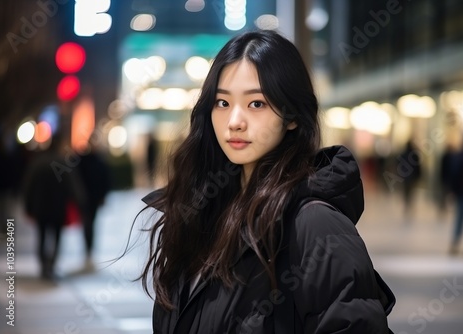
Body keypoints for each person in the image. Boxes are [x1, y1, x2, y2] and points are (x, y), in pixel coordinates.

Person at [137, 30, 395, 333]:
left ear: (292, 116)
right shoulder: (203, 215)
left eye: (256, 104)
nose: (234, 121)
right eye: (222, 103)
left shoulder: (316, 226)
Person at [23, 134, 86, 279]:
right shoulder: (62, 162)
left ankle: (43, 266)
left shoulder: (37, 163)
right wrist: (79, 202)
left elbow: (28, 186)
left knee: (42, 236)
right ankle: (51, 265)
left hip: (41, 206)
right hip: (58, 206)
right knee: (57, 236)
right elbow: (73, 186)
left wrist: (28, 205)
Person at [76, 138, 111, 268]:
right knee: (88, 223)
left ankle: (89, 247)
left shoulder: (94, 161)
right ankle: (88, 247)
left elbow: (105, 180)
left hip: (91, 198)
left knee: (89, 223)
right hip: (87, 198)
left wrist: (103, 196)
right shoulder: (84, 162)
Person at [399, 139, 422, 217]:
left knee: (406, 191)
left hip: (405, 176)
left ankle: (407, 203)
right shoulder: (414, 154)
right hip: (412, 176)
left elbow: (399, 164)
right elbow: (418, 167)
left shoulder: (404, 154)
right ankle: (409, 203)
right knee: (411, 191)